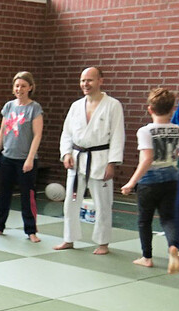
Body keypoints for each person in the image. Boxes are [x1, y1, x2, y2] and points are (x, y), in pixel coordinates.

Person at [53, 67, 125, 255]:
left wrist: (112, 162)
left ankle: (103, 242)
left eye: (90, 80)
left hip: (100, 159)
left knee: (102, 203)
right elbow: (66, 132)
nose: (85, 84)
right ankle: (69, 238)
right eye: (83, 80)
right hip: (77, 160)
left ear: (101, 80)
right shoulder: (76, 106)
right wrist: (66, 153)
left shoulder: (113, 105)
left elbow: (118, 135)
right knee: (71, 201)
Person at [120, 88, 178, 267]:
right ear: (172, 110)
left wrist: (131, 182)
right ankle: (174, 247)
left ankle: (147, 257)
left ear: (150, 109)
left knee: (144, 220)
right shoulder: (177, 129)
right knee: (168, 218)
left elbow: (147, 159)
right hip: (171, 179)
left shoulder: (145, 131)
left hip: (149, 181)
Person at [0, 72, 44, 243]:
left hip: (25, 159)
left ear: (30, 88)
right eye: (17, 86)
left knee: (27, 196)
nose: (20, 89)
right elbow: (2, 131)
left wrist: (30, 158)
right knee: (4, 193)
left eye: (23, 86)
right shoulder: (9, 106)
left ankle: (31, 230)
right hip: (7, 158)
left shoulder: (34, 108)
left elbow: (37, 135)